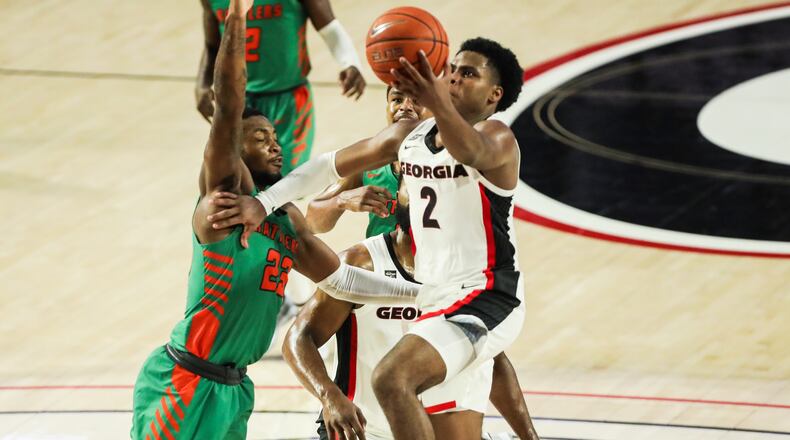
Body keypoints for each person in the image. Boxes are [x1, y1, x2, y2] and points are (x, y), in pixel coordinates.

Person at [208, 36, 527, 440]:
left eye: (469, 74)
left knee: (392, 378)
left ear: (494, 95)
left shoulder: (498, 137)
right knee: (410, 395)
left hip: (486, 291)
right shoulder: (407, 141)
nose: (455, 79)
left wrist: (436, 99)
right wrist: (266, 201)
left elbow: (468, 151)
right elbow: (327, 166)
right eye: (453, 71)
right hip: (430, 293)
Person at [131, 3, 417, 438]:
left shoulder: (288, 224)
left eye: (276, 136)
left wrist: (422, 293)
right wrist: (237, 17)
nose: (276, 144)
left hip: (236, 388)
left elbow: (344, 283)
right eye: (260, 137)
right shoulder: (222, 200)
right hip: (186, 382)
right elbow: (228, 102)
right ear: (235, 151)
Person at [285, 177, 541, 440]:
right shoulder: (362, 263)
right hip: (364, 432)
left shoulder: (467, 274)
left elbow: (490, 358)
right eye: (413, 187)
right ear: (398, 196)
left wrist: (529, 435)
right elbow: (298, 337)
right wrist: (329, 396)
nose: (423, 198)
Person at [196, 0, 366, 176]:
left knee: (285, 179)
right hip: (238, 100)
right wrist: (202, 85)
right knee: (235, 177)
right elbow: (212, 45)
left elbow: (330, 27)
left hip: (289, 100)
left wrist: (350, 62)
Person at [305, 87, 425, 238]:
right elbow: (311, 223)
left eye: (417, 100)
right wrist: (341, 201)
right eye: (397, 100)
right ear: (387, 108)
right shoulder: (369, 160)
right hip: (381, 259)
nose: (405, 106)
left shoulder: (451, 161)